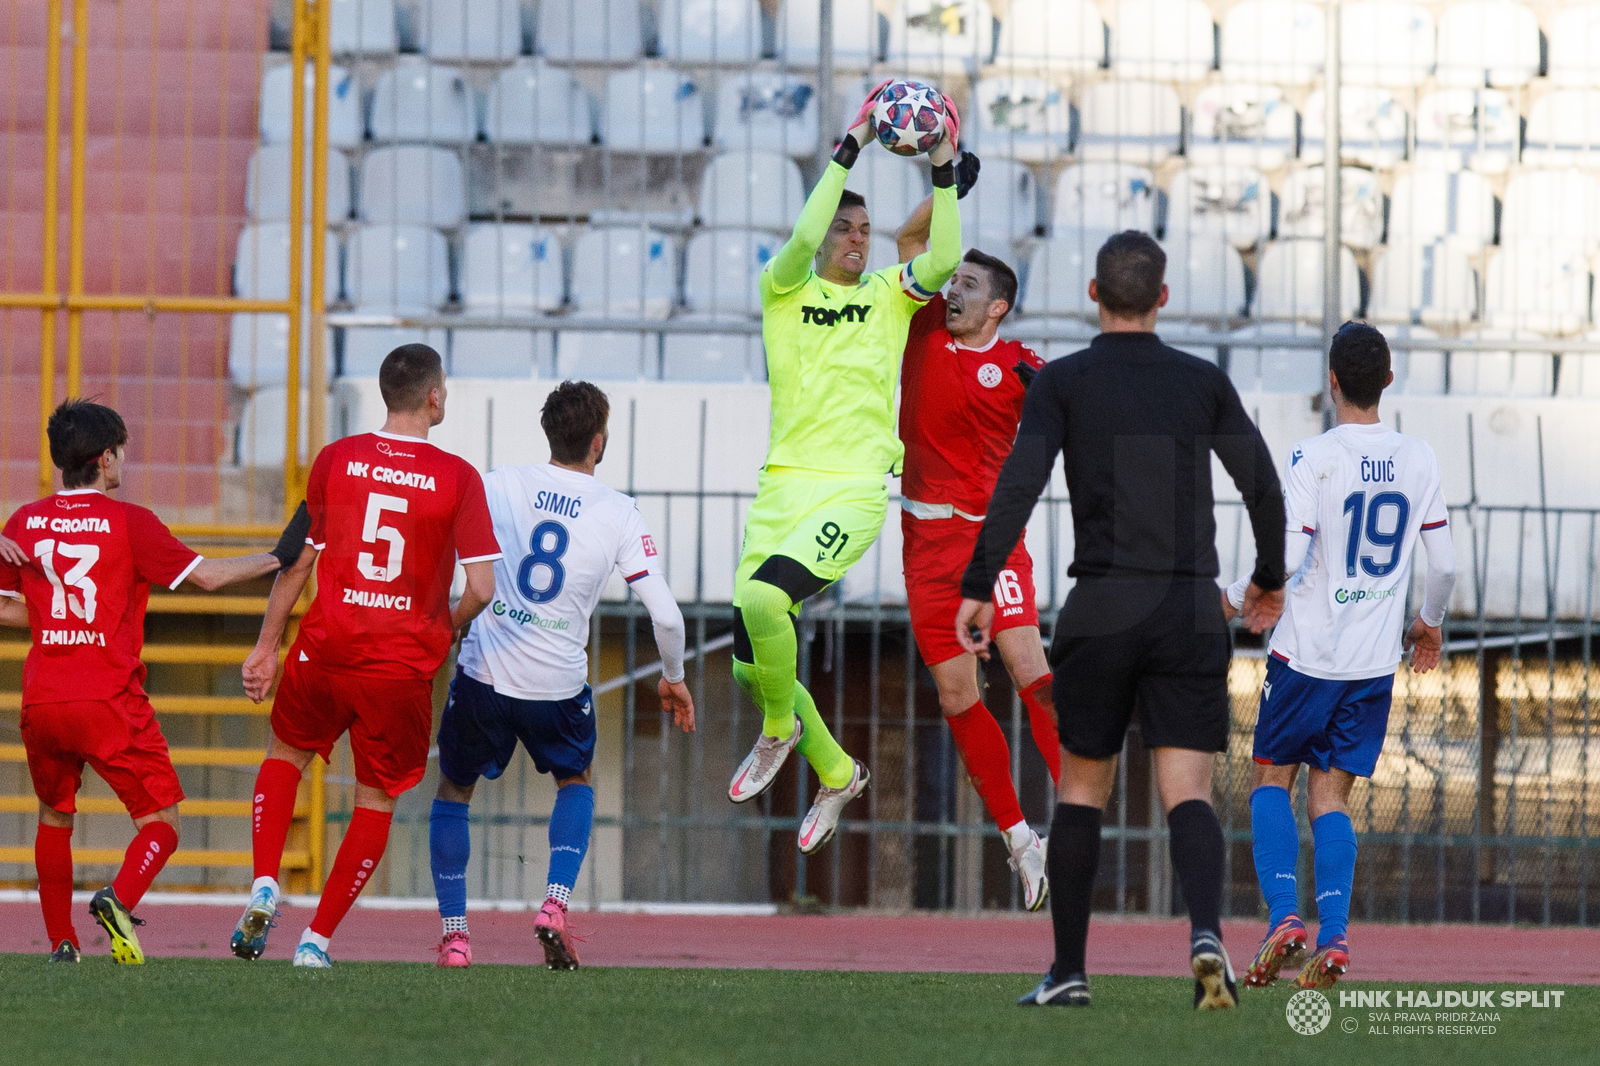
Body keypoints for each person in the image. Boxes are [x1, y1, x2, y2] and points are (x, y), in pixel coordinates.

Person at [956, 231, 1288, 1011]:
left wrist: (978, 583)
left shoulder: (1064, 382)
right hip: (1185, 604)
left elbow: (1019, 486)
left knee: (1081, 790)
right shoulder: (1202, 381)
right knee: (1189, 792)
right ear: (1162, 298)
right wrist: (1267, 580)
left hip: (1103, 605)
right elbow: (1264, 488)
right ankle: (1206, 935)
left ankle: (1069, 971)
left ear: (1094, 298)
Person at [726, 84, 963, 854]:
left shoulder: (893, 296)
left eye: (865, 228)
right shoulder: (783, 288)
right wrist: (851, 143)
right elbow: (797, 241)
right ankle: (836, 769)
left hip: (853, 490)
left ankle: (779, 733)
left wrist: (944, 167)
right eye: (846, 228)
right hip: (782, 487)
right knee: (742, 661)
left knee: (765, 603)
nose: (858, 239)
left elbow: (949, 255)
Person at [0, 400, 303, 963]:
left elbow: (13, 608)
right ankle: (119, 898)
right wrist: (279, 556)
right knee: (162, 824)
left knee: (53, 817)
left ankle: (61, 945)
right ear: (104, 458)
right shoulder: (129, 522)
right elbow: (208, 577)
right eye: (120, 451)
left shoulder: (23, 522)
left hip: (43, 698)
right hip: (109, 699)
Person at [232, 343, 502, 968]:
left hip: (325, 649)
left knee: (285, 757)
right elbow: (482, 588)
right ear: (434, 398)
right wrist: (444, 629)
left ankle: (265, 883)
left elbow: (297, 559)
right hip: (398, 668)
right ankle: (315, 942)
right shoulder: (459, 477)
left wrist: (266, 647)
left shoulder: (335, 459)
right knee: (375, 799)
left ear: (385, 395)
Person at [429, 381, 695, 970]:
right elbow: (667, 615)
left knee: (454, 791)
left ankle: (455, 938)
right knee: (575, 781)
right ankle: (554, 906)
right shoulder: (619, 512)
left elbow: (446, 553)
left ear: (549, 433)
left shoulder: (498, 484)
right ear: (597, 442)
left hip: (484, 674)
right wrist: (672, 675)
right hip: (557, 684)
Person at [1228, 322, 1455, 991]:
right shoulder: (1418, 459)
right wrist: (1429, 626)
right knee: (1331, 798)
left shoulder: (1311, 457)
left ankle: (1283, 921)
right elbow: (1443, 565)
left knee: (1272, 781)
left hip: (1306, 656)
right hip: (1370, 665)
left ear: (1331, 382)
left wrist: (1236, 596)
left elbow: (1291, 559)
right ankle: (1334, 938)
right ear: (1388, 379)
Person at [895, 197, 1058, 910]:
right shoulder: (922, 328)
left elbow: (1069, 418)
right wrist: (949, 186)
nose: (951, 291)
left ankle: (1079, 807)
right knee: (958, 694)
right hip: (926, 542)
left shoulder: (1022, 365)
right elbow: (907, 237)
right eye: (951, 281)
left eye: (967, 286)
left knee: (1029, 666)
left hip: (992, 542)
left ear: (998, 309)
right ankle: (1022, 838)